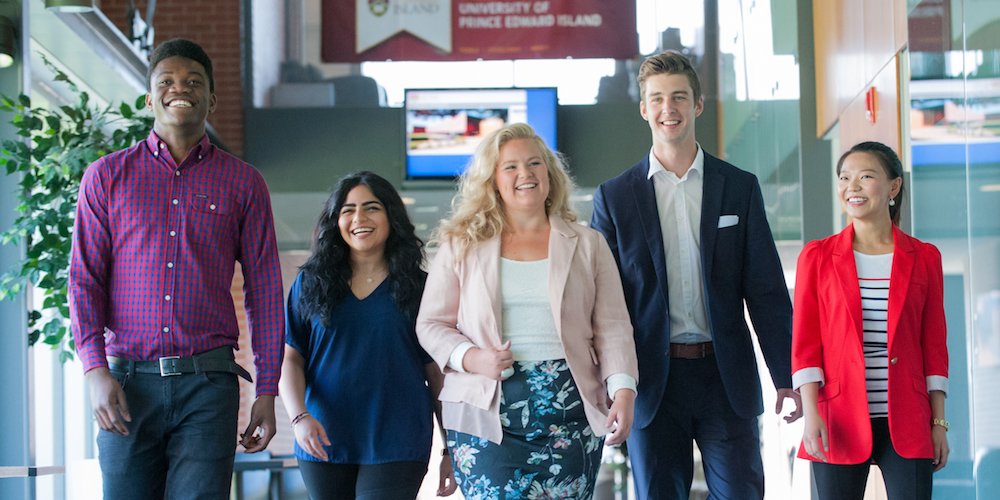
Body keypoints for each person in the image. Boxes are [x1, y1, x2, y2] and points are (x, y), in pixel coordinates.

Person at [68, 39, 284, 499]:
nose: (179, 89)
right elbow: (85, 280)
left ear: (212, 99)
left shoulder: (244, 183)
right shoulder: (106, 177)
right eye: (166, 81)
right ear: (149, 98)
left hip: (208, 387)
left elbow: (265, 292)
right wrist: (94, 370)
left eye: (193, 81)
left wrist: (267, 389)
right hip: (126, 384)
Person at [590, 50, 802, 499]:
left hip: (724, 377)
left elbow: (765, 290)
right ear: (644, 108)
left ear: (698, 104)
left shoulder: (739, 187)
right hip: (651, 381)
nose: (669, 108)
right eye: (658, 98)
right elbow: (602, 304)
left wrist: (786, 373)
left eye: (679, 97)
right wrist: (609, 382)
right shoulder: (615, 197)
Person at [417, 123, 638, 498]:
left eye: (535, 163)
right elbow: (431, 324)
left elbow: (613, 327)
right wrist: (472, 357)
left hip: (571, 413)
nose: (526, 174)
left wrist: (623, 391)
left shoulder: (588, 244)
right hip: (485, 415)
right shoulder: (461, 244)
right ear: (493, 180)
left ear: (549, 174)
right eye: (511, 167)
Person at [279, 171, 457, 499]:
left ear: (391, 217)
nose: (359, 218)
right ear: (336, 221)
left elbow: (437, 373)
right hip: (323, 435)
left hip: (398, 438)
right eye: (348, 210)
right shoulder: (310, 284)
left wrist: (451, 447)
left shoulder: (422, 288)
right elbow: (291, 359)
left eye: (371, 207)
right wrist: (298, 418)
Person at [792, 141, 949, 499]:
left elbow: (934, 347)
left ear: (894, 186)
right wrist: (811, 413)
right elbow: (805, 345)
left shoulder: (925, 257)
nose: (852, 187)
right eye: (844, 177)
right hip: (838, 416)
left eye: (865, 177)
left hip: (908, 418)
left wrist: (939, 423)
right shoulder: (817, 257)